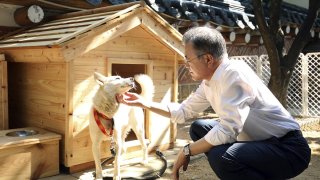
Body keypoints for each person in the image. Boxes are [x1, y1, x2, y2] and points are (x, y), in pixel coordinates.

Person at [116, 26, 311, 180]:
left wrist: (186, 150)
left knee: (222, 157)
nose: (186, 65)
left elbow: (228, 130)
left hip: (288, 150)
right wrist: (143, 103)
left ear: (208, 58)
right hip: (258, 140)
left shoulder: (233, 74)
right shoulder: (210, 81)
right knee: (200, 128)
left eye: (188, 59)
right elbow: (184, 111)